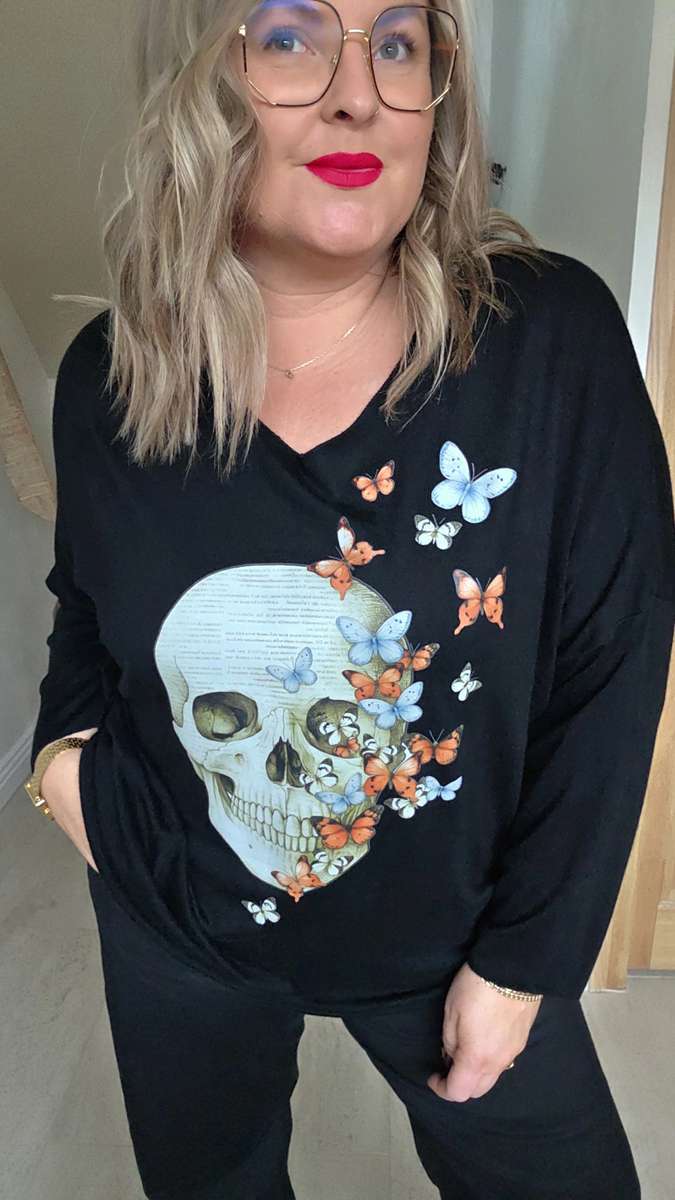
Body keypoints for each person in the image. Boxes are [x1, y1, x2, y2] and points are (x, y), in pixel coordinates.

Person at [24, 1, 675, 1197]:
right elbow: (86, 602)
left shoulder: (547, 338)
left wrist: (527, 961)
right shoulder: (112, 382)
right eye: (289, 36)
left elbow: (615, 660)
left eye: (396, 42)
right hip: (178, 926)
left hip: (460, 938)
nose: (358, 92)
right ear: (201, 84)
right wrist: (62, 764)